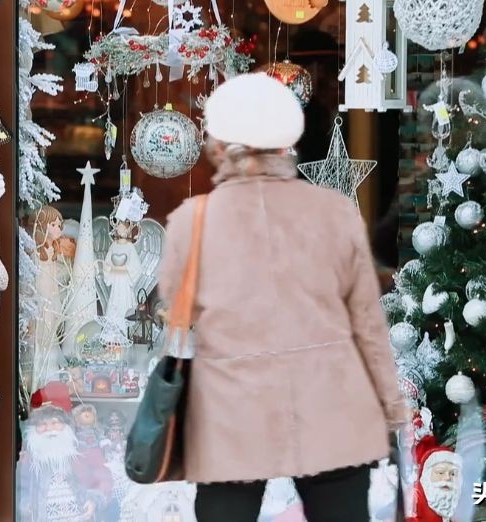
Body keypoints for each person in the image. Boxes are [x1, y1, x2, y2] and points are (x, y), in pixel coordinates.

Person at [157, 73, 410, 522]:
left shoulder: (191, 221)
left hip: (230, 409)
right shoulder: (335, 210)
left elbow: (178, 316)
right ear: (288, 140)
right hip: (331, 401)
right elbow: (368, 324)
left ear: (217, 145)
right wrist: (391, 409)